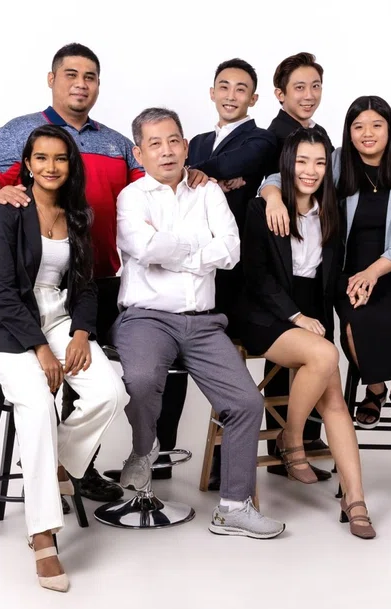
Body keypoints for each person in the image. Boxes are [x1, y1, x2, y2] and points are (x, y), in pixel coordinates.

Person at [0, 43, 190, 500]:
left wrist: (193, 175)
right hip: (47, 280)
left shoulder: (115, 142)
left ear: (98, 85)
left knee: (93, 373)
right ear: (52, 79)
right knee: (62, 378)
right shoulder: (22, 131)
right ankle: (59, 469)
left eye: (90, 76)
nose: (80, 84)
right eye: (71, 74)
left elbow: (154, 181)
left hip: (103, 274)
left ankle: (72, 467)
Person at [112, 107, 285, 539]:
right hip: (146, 318)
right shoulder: (132, 197)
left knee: (246, 403)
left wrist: (173, 250)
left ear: (186, 146)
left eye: (174, 140)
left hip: (203, 322)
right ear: (139, 153)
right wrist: (198, 247)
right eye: (155, 143)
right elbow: (145, 249)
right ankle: (143, 450)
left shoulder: (208, 192)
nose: (167, 151)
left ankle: (234, 507)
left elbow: (230, 251)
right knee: (142, 378)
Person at [0, 125, 128, 591]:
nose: (50, 167)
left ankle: (58, 462)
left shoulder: (77, 215)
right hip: (7, 327)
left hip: (60, 319)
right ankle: (43, 535)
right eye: (41, 158)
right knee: (38, 406)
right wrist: (40, 348)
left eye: (60, 158)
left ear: (70, 164)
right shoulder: (10, 209)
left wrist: (80, 334)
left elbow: (85, 285)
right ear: (28, 163)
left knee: (109, 392)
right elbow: (1, 290)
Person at [260, 95, 391, 427]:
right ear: (348, 132)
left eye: (376, 125)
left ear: (390, 128)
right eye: (358, 126)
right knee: (357, 321)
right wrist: (272, 198)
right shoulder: (337, 161)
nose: (367, 133)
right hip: (346, 272)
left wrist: (374, 272)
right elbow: (282, 176)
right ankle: (375, 388)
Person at [239, 128, 374, 538]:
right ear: (287, 164)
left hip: (311, 312)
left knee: (334, 399)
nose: (310, 171)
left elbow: (331, 279)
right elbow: (256, 277)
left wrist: (354, 308)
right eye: (301, 161)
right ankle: (292, 437)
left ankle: (355, 500)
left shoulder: (332, 212)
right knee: (324, 355)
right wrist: (295, 316)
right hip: (265, 312)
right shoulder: (262, 207)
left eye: (319, 162)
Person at [186, 59, 277, 490]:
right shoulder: (196, 141)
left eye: (241, 89)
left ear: (253, 98)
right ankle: (160, 455)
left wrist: (204, 175)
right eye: (223, 86)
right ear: (212, 92)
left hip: (235, 269)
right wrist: (213, 178)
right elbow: (178, 175)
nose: (231, 95)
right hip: (191, 264)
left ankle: (229, 463)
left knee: (229, 366)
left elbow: (238, 161)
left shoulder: (261, 139)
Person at [259, 51, 334, 480]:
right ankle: (288, 443)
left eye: (315, 86)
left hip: (310, 263)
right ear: (280, 93)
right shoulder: (277, 136)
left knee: (314, 353)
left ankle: (302, 437)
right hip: (274, 257)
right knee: (287, 364)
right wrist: (271, 194)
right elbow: (274, 180)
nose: (309, 95)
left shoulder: (316, 133)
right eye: (299, 87)